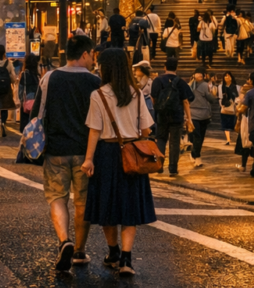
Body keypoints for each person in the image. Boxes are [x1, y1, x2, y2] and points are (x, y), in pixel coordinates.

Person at [81, 48, 157, 277]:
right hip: (131, 154)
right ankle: (126, 259)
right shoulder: (136, 94)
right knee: (129, 208)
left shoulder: (99, 95)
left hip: (106, 153)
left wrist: (88, 159)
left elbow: (94, 131)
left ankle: (112, 251)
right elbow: (146, 129)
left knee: (107, 206)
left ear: (107, 68)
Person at [31, 35, 100, 272]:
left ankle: (64, 240)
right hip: (85, 153)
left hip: (55, 150)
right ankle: (79, 251)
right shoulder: (95, 82)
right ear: (84, 54)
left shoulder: (50, 77)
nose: (93, 59)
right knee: (82, 202)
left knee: (57, 197)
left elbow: (37, 112)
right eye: (92, 54)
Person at [150, 56, 194, 177]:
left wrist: (159, 108)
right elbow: (186, 101)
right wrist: (189, 118)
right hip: (177, 116)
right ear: (176, 68)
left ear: (165, 67)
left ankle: (159, 167)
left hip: (161, 116)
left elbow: (153, 97)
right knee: (174, 142)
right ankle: (173, 169)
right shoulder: (180, 82)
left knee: (161, 140)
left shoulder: (157, 81)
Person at [187, 69, 218, 168]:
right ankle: (197, 156)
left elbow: (210, 99)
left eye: (201, 73)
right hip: (195, 114)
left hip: (202, 115)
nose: (200, 75)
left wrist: (212, 95)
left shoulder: (202, 85)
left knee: (200, 137)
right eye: (198, 73)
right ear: (194, 74)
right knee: (198, 137)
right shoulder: (191, 86)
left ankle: (194, 153)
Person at [217, 72, 240, 144]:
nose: (227, 77)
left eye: (228, 76)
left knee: (235, 123)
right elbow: (220, 97)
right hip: (225, 106)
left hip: (234, 106)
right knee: (225, 124)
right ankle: (228, 139)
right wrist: (221, 105)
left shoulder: (237, 87)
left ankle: (235, 138)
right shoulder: (221, 87)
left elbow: (238, 97)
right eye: (225, 76)